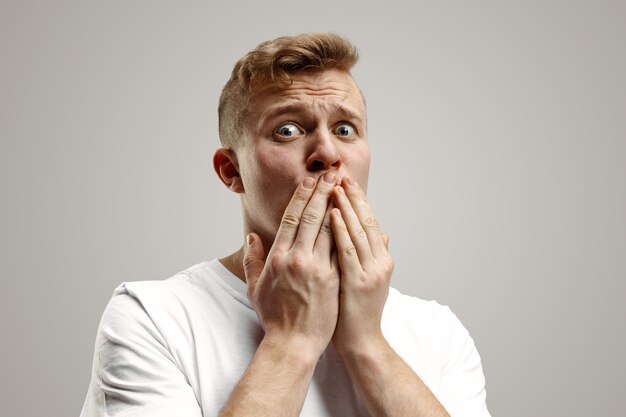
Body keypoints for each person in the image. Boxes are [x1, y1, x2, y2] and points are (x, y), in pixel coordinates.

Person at [80, 32, 490, 417]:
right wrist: (291, 341)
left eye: (345, 129)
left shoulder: (438, 330)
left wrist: (367, 342)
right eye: (288, 130)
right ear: (231, 171)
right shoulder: (153, 318)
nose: (327, 153)